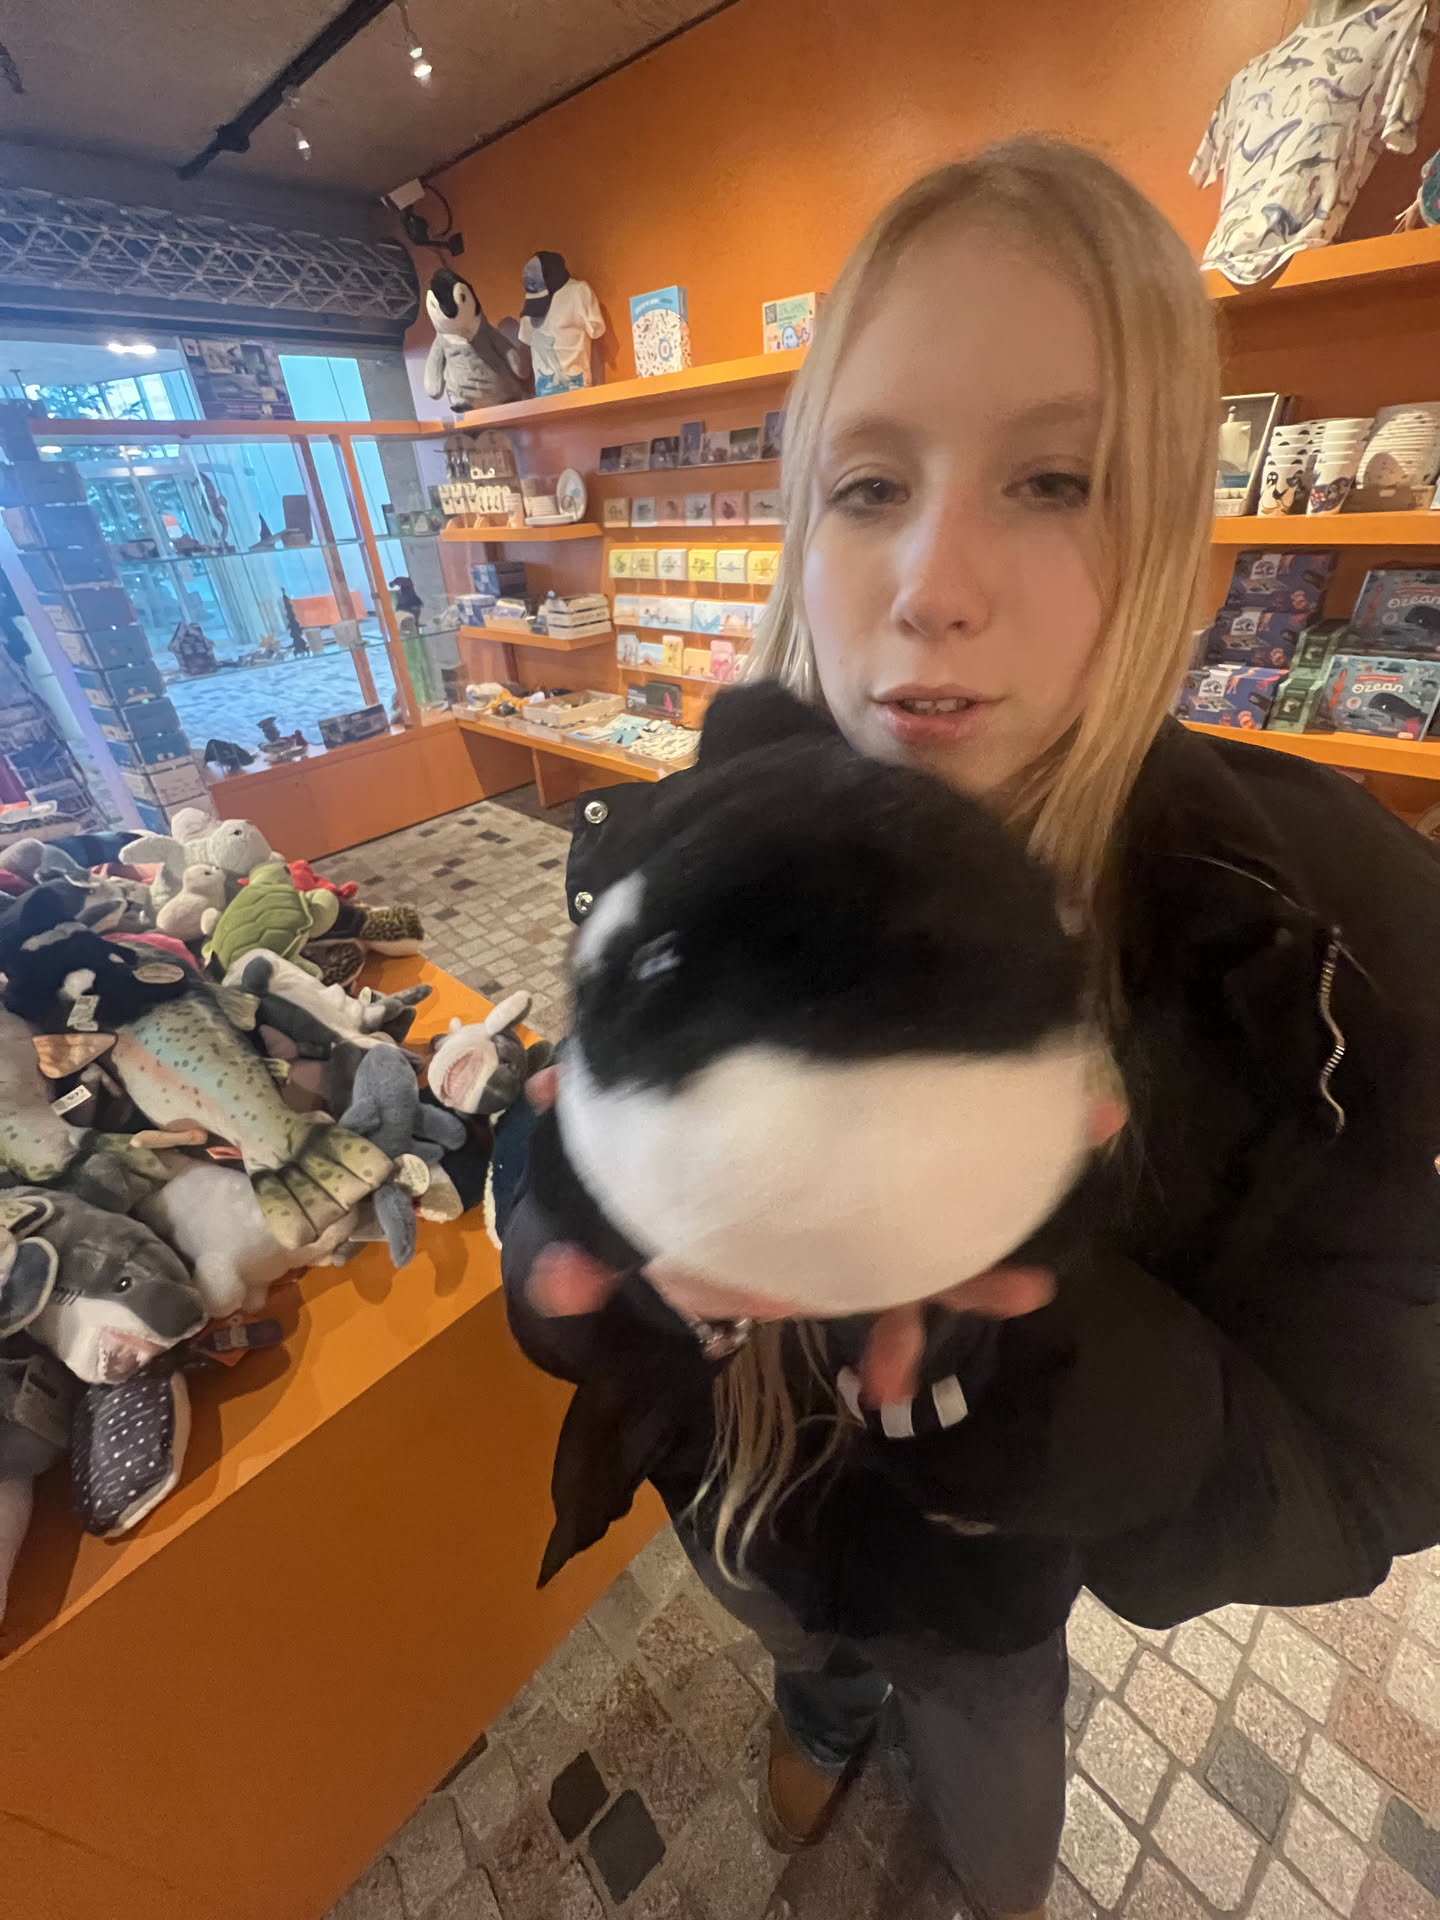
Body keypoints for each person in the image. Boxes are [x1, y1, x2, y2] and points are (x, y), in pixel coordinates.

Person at [497, 139, 1440, 1920]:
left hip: (987, 1604)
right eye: (871, 484)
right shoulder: (705, 837)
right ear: (805, 524)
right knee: (796, 1641)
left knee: (992, 1793)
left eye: (1054, 480)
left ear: (1174, 542)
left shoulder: (1298, 954)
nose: (932, 580)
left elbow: (1375, 1465)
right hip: (740, 1518)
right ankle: (819, 1700)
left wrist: (1084, 1382)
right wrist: (574, 1242)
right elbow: (547, 1152)